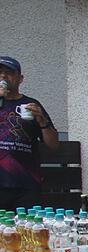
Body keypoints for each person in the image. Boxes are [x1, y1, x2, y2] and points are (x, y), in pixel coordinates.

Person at [0, 56, 59, 210]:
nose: (3, 76)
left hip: (26, 182)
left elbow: (53, 144)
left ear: (20, 79)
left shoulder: (30, 105)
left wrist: (42, 121)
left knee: (28, 224)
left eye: (9, 73)